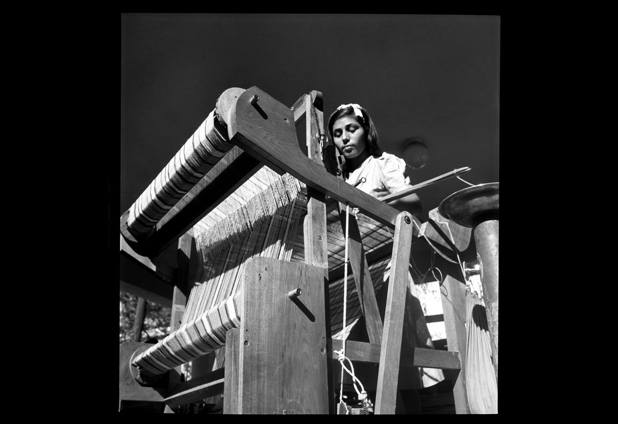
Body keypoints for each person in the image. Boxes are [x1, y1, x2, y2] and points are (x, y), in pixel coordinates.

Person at [327, 103, 444, 412]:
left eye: (351, 129)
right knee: (369, 373)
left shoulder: (382, 164)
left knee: (397, 366)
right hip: (355, 277)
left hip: (386, 271)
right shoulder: (339, 179)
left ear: (366, 131)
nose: (344, 138)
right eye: (337, 133)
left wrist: (379, 202)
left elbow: (413, 205)